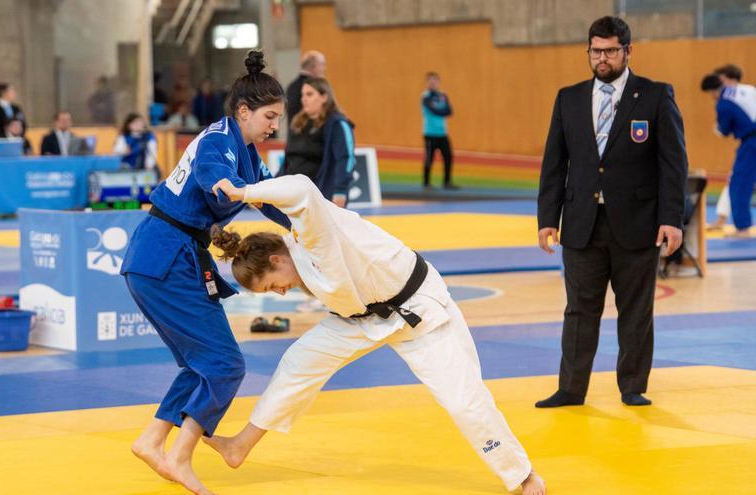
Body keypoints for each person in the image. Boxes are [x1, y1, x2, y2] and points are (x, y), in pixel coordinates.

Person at [206, 174, 546, 495]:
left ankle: (522, 473)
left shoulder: (313, 234)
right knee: (298, 361)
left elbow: (301, 187)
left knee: (463, 401)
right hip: (362, 318)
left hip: (418, 309)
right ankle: (240, 445)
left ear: (278, 259)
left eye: (272, 286)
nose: (279, 293)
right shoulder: (299, 257)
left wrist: (245, 193)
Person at [119, 50, 291, 495]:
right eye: (269, 116)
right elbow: (215, 178)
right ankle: (180, 456)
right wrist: (229, 186)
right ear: (244, 111)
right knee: (225, 364)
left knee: (201, 365)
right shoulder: (217, 142)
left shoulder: (248, 153)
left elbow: (271, 198)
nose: (274, 125)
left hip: (162, 256)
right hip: (165, 255)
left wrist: (314, 222)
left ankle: (152, 442)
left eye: (278, 117)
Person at [536, 16, 687, 408]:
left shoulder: (655, 95)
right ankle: (571, 388)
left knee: (636, 310)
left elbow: (673, 163)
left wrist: (671, 218)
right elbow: (554, 163)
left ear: (627, 51)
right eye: (595, 51)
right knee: (578, 310)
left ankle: (632, 386)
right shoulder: (568, 98)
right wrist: (547, 219)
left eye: (610, 51)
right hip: (582, 223)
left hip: (638, 223)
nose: (602, 58)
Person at [283, 77, 354, 207]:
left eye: (309, 94)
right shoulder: (297, 124)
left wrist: (340, 191)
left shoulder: (338, 124)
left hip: (323, 194)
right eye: (302, 95)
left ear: (324, 97)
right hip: (294, 193)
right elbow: (288, 159)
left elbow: (345, 159)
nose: (303, 99)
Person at [701, 73, 756, 238]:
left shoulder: (723, 104)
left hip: (752, 142)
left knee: (739, 184)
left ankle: (743, 228)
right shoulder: (744, 89)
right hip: (751, 138)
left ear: (712, 91)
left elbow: (724, 130)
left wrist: (719, 128)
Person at [421, 72, 456, 189]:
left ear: (438, 82)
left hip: (442, 133)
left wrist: (441, 109)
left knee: (448, 156)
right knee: (429, 158)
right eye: (430, 81)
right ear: (427, 83)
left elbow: (450, 111)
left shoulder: (443, 95)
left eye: (435, 81)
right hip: (430, 133)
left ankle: (447, 182)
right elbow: (434, 110)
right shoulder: (425, 96)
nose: (433, 83)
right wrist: (442, 109)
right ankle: (426, 183)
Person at [285, 50, 326, 126]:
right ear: (314, 67)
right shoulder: (313, 87)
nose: (324, 68)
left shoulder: (291, 86)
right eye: (322, 64)